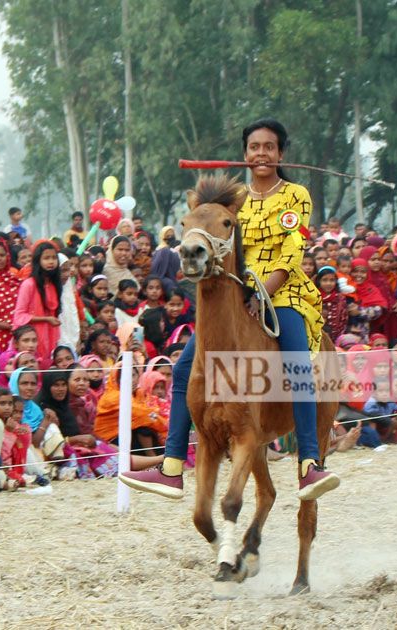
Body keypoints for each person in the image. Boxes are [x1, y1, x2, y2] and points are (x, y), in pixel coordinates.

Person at [121, 118, 338, 500]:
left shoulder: (296, 196)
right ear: (245, 154)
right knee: (187, 366)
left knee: (299, 364)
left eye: (269, 147)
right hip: (235, 293)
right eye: (254, 147)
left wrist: (262, 294)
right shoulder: (235, 200)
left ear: (280, 153)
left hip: (281, 293)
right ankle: (172, 465)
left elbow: (290, 254)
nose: (261, 154)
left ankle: (308, 464)